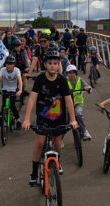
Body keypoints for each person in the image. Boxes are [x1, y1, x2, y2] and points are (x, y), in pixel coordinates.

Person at [22, 51, 78, 184]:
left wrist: (73, 119)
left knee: (57, 141)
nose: (53, 66)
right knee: (39, 143)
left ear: (59, 65)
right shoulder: (40, 79)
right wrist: (27, 119)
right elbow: (32, 98)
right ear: (45, 64)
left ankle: (57, 162)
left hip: (58, 117)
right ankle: (34, 172)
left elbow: (69, 101)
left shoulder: (62, 80)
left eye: (55, 63)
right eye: (50, 63)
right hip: (43, 117)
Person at [0, 55, 22, 130]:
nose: (9, 66)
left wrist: (20, 90)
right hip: (5, 89)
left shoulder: (16, 70)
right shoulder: (3, 70)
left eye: (11, 64)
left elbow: (20, 80)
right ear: (5, 64)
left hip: (13, 90)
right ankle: (2, 118)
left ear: (14, 64)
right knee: (3, 106)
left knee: (12, 106)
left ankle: (18, 120)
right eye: (8, 64)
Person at [66, 65, 92, 140]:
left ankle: (84, 131)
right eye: (70, 73)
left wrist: (88, 88)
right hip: (67, 105)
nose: (72, 74)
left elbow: (89, 87)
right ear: (67, 74)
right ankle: (60, 139)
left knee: (77, 114)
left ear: (76, 73)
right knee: (66, 122)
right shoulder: (65, 81)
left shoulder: (79, 80)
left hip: (78, 103)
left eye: (73, 72)